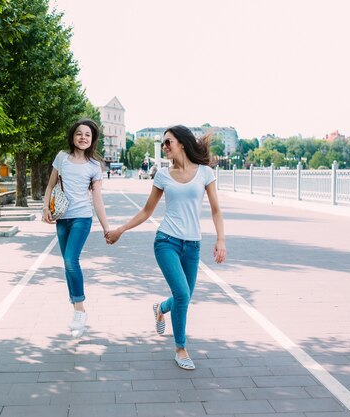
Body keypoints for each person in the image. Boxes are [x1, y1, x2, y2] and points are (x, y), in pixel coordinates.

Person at [105, 125, 226, 370]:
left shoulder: (204, 173)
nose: (165, 147)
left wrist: (221, 239)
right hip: (166, 241)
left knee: (185, 296)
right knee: (182, 294)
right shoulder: (162, 175)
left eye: (168, 142)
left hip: (193, 245)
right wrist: (120, 230)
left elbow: (216, 209)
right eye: (163, 143)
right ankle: (180, 348)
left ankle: (160, 308)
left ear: (181, 143)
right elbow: (147, 211)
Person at [43, 119, 110, 337]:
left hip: (82, 217)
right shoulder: (61, 158)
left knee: (71, 260)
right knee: (66, 263)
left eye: (87, 135)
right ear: (73, 136)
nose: (83, 137)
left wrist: (106, 227)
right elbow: (51, 185)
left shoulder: (94, 166)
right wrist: (45, 207)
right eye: (79, 133)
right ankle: (76, 311)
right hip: (62, 217)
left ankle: (79, 310)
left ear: (92, 140)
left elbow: (97, 199)